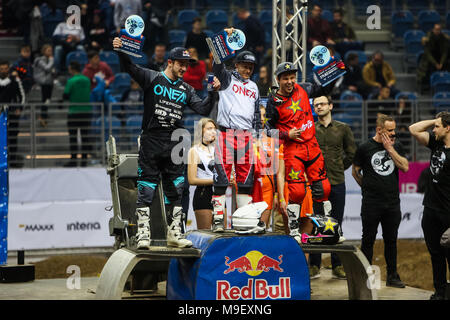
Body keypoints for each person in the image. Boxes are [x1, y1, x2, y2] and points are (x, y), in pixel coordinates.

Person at [113, 36, 220, 249]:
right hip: (152, 140)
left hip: (175, 142)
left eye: (187, 65)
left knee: (177, 190)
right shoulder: (152, 77)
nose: (184, 68)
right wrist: (120, 50)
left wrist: (213, 93)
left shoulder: (186, 89)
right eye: (180, 64)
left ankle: (175, 234)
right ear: (170, 62)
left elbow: (203, 109)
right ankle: (143, 235)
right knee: (146, 188)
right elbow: (129, 67)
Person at [265, 62, 333, 244]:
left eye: (292, 77)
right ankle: (294, 229)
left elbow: (323, 89)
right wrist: (287, 134)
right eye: (285, 78)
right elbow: (266, 130)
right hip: (293, 148)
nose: (290, 81)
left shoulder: (304, 88)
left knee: (324, 188)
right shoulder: (273, 101)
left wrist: (333, 69)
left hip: (312, 145)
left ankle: (327, 228)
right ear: (278, 79)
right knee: (296, 191)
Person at [210, 27, 261, 233]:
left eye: (251, 67)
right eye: (244, 65)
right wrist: (223, 36)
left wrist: (257, 136)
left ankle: (244, 221)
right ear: (236, 64)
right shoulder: (226, 78)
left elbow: (257, 115)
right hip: (226, 133)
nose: (247, 69)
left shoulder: (254, 87)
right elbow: (216, 60)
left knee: (245, 180)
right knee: (221, 178)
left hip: (247, 136)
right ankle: (217, 220)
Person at [352, 113, 409, 288]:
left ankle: (393, 276)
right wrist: (367, 188)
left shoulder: (396, 145)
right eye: (389, 130)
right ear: (379, 129)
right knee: (368, 240)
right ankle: (366, 276)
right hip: (371, 203)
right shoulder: (364, 147)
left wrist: (390, 149)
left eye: (394, 130)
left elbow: (405, 167)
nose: (393, 134)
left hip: (392, 203)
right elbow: (356, 171)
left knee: (391, 240)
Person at [308, 95, 356, 280]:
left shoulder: (343, 129)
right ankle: (314, 264)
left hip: (336, 181)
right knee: (316, 222)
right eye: (316, 105)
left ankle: (337, 265)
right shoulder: (310, 128)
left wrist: (338, 167)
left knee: (336, 222)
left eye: (322, 104)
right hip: (315, 182)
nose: (318, 107)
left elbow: (351, 153)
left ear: (331, 106)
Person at [409, 112, 450, 300]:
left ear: (448, 128)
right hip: (431, 210)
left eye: (438, 126)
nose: (434, 130)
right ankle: (440, 292)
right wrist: (436, 120)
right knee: (436, 255)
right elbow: (413, 129)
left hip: (448, 213)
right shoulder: (436, 143)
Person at [187, 118, 217, 229]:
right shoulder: (194, 151)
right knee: (205, 234)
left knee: (223, 234)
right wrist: (215, 181)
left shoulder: (218, 150)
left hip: (219, 194)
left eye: (214, 129)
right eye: (209, 129)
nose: (213, 132)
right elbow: (192, 179)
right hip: (203, 194)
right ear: (201, 131)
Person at [63, 61, 92, 167]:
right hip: (86, 112)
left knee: (73, 137)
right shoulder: (87, 80)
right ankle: (84, 161)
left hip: (74, 112)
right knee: (85, 137)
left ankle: (74, 160)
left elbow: (65, 95)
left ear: (72, 69)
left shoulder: (71, 81)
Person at [0, 60, 25, 167]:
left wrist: (19, 108)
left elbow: (22, 96)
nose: (3, 71)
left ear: (8, 69)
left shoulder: (15, 80)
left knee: (13, 137)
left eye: (5, 68)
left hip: (11, 113)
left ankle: (13, 160)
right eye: (1, 69)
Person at [417, 23, 450, 89]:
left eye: (439, 30)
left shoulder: (444, 38)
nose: (437, 31)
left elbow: (445, 52)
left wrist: (441, 63)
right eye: (436, 29)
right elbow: (427, 53)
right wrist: (435, 64)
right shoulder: (428, 38)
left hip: (441, 59)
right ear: (433, 30)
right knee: (427, 67)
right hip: (430, 59)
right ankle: (427, 86)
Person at [33, 44, 56, 127]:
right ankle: (43, 116)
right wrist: (51, 61)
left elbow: (51, 70)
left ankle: (44, 115)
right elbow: (47, 68)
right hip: (43, 82)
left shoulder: (49, 59)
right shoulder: (39, 60)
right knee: (44, 99)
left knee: (47, 100)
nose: (50, 52)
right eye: (48, 50)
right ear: (43, 51)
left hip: (50, 82)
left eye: (51, 50)